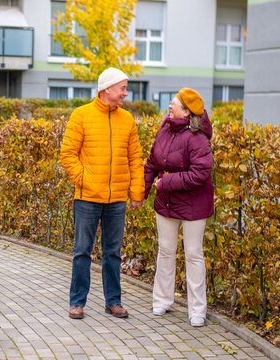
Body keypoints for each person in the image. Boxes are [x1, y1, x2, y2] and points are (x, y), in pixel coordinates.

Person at [60, 67, 145, 320]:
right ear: (107, 89)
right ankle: (77, 302)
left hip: (117, 199)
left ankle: (113, 301)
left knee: (113, 252)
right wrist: (86, 180)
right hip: (87, 197)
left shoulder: (127, 120)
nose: (125, 94)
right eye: (122, 88)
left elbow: (135, 158)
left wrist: (137, 191)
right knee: (82, 251)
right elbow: (67, 155)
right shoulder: (81, 115)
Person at [143, 88, 214, 327]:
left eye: (173, 103)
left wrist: (165, 183)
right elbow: (153, 161)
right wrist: (141, 191)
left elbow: (200, 174)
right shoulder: (165, 128)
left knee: (193, 254)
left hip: (193, 204)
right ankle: (162, 300)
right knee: (165, 250)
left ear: (186, 111)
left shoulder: (198, 138)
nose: (169, 107)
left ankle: (197, 310)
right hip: (167, 202)